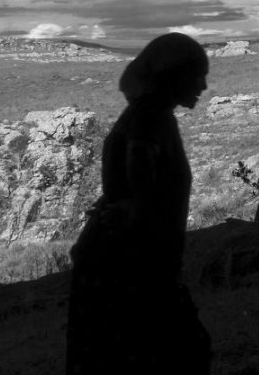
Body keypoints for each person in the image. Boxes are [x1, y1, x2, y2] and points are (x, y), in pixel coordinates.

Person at [66, 32, 213, 374]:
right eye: (197, 75)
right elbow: (142, 191)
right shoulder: (151, 120)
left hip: (122, 260)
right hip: (130, 265)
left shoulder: (147, 116)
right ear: (172, 76)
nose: (203, 85)